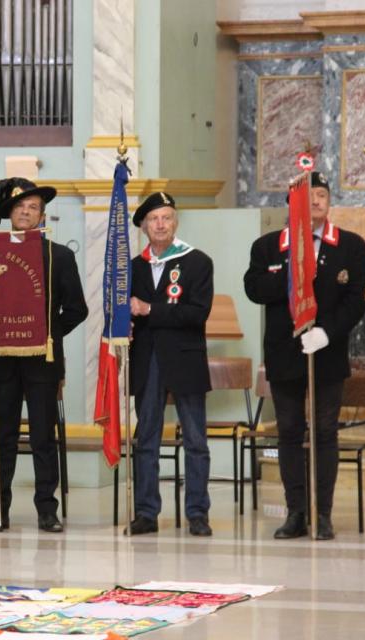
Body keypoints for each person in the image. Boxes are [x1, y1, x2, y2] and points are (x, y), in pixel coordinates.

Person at [244, 171, 365, 541]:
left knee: (325, 431)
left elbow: (354, 301)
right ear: (291, 203)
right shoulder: (268, 246)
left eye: (321, 195)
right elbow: (253, 288)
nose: (315, 201)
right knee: (289, 431)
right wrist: (293, 275)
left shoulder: (350, 245)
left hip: (326, 350)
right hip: (285, 351)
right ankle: (296, 511)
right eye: (307, 195)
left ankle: (322, 511)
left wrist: (326, 332)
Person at [0, 179, 88, 534]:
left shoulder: (60, 256)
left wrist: (47, 332)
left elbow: (77, 309)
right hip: (1, 359)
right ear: (8, 212)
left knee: (43, 436)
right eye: (19, 205)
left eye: (33, 207)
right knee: (3, 436)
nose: (26, 211)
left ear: (43, 215)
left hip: (42, 359)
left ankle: (46, 510)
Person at [127, 192, 214, 537]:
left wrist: (150, 310)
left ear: (175, 222)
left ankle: (197, 513)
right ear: (145, 226)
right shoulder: (134, 267)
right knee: (146, 437)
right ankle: (146, 512)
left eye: (166, 218)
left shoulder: (197, 262)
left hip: (185, 361)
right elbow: (123, 311)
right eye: (153, 219)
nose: (160, 224)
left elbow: (197, 313)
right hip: (147, 361)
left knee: (195, 439)